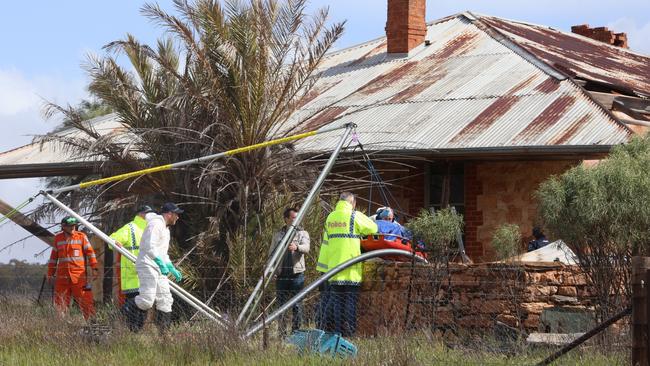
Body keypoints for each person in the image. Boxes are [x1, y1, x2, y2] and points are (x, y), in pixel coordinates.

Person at [317, 192, 378, 337]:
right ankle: (349, 333)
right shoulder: (354, 216)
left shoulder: (330, 217)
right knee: (350, 302)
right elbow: (373, 228)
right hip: (351, 269)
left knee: (337, 303)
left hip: (333, 269)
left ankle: (337, 332)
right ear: (353, 203)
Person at [123, 202, 184, 333]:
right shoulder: (155, 224)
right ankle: (124, 311)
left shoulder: (166, 229)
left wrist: (170, 266)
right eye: (176, 214)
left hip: (158, 266)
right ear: (169, 214)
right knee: (147, 301)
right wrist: (159, 262)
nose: (178, 217)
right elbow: (149, 246)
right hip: (147, 264)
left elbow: (162, 252)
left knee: (166, 299)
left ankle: (164, 334)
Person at [109, 205, 154, 329]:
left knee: (144, 307)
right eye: (148, 214)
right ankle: (132, 331)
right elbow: (112, 240)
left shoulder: (151, 229)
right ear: (141, 214)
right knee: (134, 309)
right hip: (132, 276)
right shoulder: (130, 228)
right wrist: (115, 242)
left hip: (146, 275)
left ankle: (136, 332)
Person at [47, 216, 99, 320]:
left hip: (79, 277)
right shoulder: (58, 238)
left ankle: (92, 323)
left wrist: (95, 268)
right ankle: (60, 326)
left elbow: (90, 253)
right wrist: (50, 273)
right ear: (63, 226)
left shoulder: (81, 237)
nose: (72, 228)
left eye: (74, 226)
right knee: (60, 303)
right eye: (70, 226)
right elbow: (53, 258)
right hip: (62, 278)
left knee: (86, 301)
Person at [270, 207, 310, 337]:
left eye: (297, 218)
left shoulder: (302, 233)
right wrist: (272, 271)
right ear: (286, 219)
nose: (296, 220)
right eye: (293, 218)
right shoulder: (278, 235)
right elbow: (271, 254)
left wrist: (297, 247)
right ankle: (282, 333)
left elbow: (306, 247)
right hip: (281, 275)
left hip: (297, 275)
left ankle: (296, 333)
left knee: (297, 305)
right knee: (281, 306)